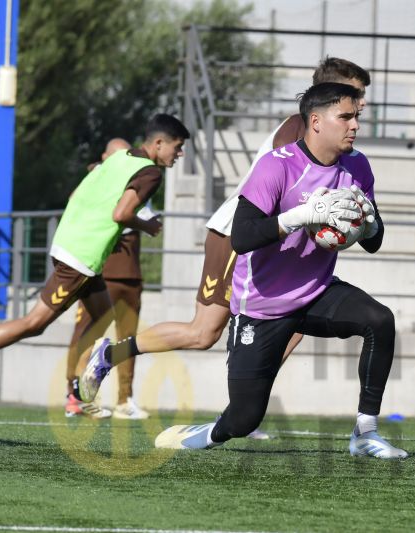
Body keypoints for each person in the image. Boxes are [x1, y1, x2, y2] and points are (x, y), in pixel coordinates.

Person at [76, 58, 372, 437]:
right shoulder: (299, 131)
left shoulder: (337, 139)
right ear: (332, 94)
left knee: (292, 324)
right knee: (203, 332)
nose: (362, 105)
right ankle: (111, 354)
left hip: (273, 244)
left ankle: (242, 412)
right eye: (358, 94)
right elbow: (281, 195)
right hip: (239, 238)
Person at [147, 82, 406, 458]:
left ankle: (365, 434)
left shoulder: (358, 166)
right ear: (316, 121)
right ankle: (204, 433)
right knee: (243, 421)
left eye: (357, 118)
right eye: (346, 117)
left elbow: (374, 240)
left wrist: (369, 226)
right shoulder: (277, 165)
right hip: (261, 305)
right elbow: (242, 236)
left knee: (379, 321)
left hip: (315, 291)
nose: (355, 126)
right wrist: (300, 217)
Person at [0, 116, 188, 380]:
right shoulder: (150, 173)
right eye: (178, 146)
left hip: (70, 243)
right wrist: (146, 226)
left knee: (103, 315)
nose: (179, 153)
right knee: (33, 324)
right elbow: (121, 214)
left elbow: (79, 194)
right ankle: (78, 384)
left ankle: (78, 389)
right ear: (159, 143)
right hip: (81, 257)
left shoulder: (120, 157)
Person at [64, 138, 155, 419]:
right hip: (100, 270)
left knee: (127, 339)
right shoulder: (98, 178)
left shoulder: (136, 177)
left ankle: (124, 399)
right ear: (105, 157)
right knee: (87, 334)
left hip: (130, 274)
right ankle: (74, 395)